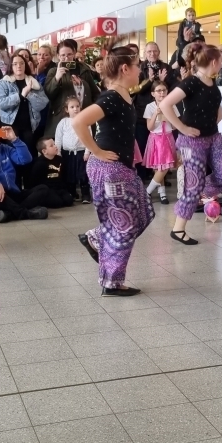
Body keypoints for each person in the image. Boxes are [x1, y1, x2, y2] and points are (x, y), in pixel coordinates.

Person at [72, 46, 154, 295]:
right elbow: (79, 122)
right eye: (137, 65)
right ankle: (112, 283)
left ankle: (97, 237)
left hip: (120, 167)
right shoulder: (111, 97)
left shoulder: (125, 94)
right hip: (109, 169)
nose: (140, 70)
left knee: (144, 212)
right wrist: (96, 151)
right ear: (125, 68)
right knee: (124, 225)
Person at [159, 43, 222, 246]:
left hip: (213, 136)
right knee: (193, 186)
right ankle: (178, 228)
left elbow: (217, 109)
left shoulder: (212, 81)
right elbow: (165, 104)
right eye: (221, 60)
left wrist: (214, 120)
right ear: (214, 61)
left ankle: (198, 192)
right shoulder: (191, 82)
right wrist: (182, 128)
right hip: (191, 141)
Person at [0, 124, 48, 222]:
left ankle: (10, 213)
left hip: (12, 195)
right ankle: (25, 213)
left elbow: (26, 159)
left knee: (43, 189)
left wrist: (14, 139)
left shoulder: (6, 149)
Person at [0, 54, 48, 161]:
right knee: (12, 157)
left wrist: (29, 94)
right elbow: (1, 104)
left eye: (21, 63)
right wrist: (21, 95)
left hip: (30, 126)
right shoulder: (3, 82)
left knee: (29, 156)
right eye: (15, 64)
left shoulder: (33, 82)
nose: (18, 66)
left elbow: (42, 104)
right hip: (9, 125)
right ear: (11, 66)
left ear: (25, 65)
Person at [44, 42, 101, 136]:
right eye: (63, 55)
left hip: (84, 116)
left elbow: (95, 93)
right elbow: (49, 94)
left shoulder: (84, 69)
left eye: (69, 54)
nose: (66, 58)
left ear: (74, 53)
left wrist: (81, 85)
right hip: (62, 118)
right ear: (58, 56)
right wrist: (57, 78)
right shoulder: (53, 71)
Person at [134, 42, 169, 168]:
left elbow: (170, 88)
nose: (152, 54)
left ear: (159, 52)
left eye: (155, 51)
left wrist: (162, 82)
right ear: (145, 53)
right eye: (149, 51)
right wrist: (149, 80)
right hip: (142, 111)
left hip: (161, 111)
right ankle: (142, 173)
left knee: (161, 145)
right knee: (142, 143)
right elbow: (136, 89)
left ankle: (159, 173)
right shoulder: (138, 68)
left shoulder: (165, 67)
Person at [144, 80, 179, 204]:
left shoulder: (172, 105)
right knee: (159, 167)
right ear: (153, 93)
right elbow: (150, 127)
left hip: (168, 138)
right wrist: (155, 114)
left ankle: (147, 191)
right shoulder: (150, 106)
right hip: (156, 139)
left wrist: (168, 117)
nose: (162, 93)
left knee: (164, 167)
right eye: (158, 91)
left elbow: (175, 126)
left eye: (164, 90)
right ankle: (161, 192)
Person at [55, 96, 92, 203]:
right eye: (72, 107)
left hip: (81, 153)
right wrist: (58, 152)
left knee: (83, 173)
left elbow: (89, 137)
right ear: (66, 109)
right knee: (69, 173)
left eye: (77, 106)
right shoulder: (63, 122)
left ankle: (85, 194)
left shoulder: (84, 121)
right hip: (67, 153)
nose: (75, 109)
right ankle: (72, 193)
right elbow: (58, 139)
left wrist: (87, 152)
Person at [27, 138, 74, 207]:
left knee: (69, 200)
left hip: (59, 188)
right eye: (51, 146)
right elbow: (34, 181)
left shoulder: (60, 160)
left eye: (54, 144)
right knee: (57, 202)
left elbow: (64, 175)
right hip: (48, 190)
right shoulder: (39, 163)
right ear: (44, 151)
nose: (55, 146)